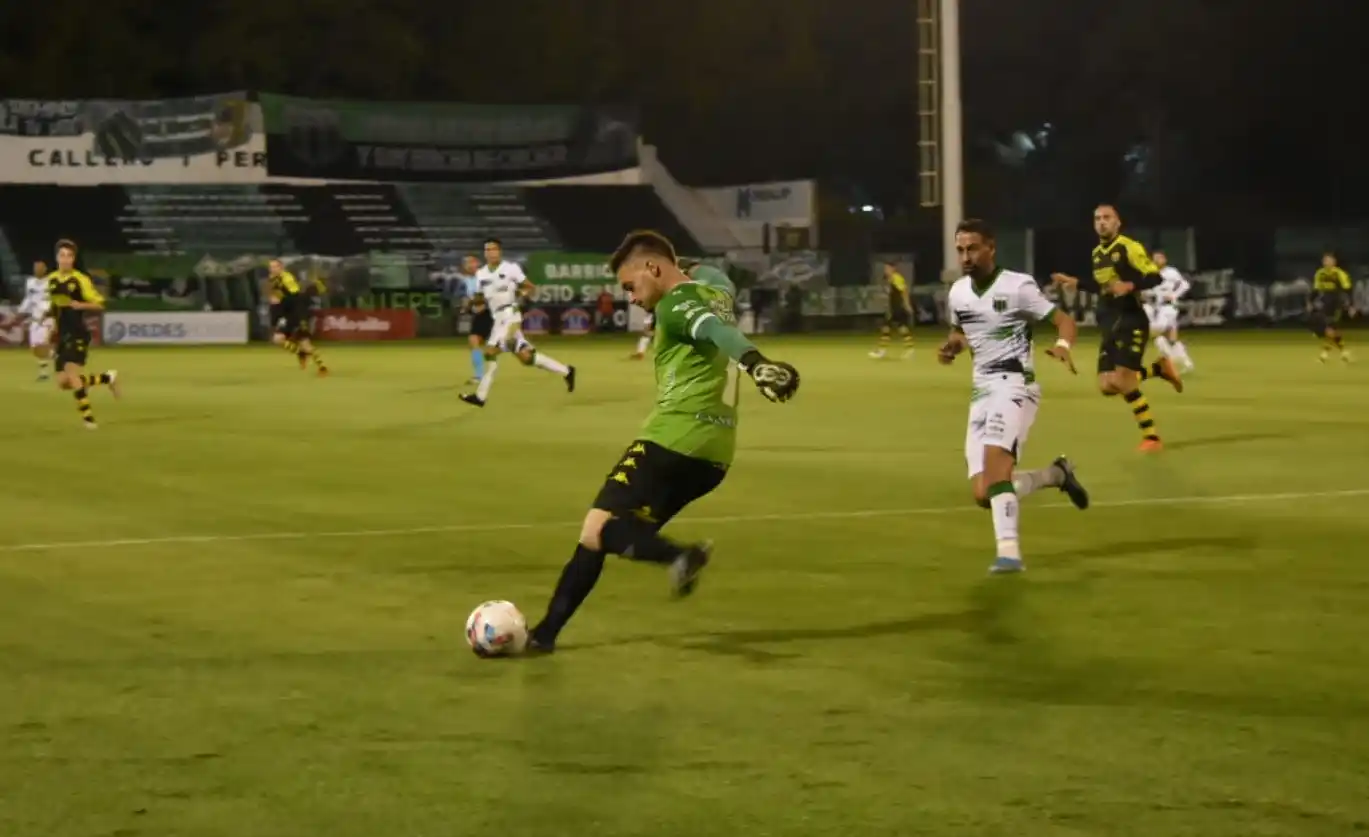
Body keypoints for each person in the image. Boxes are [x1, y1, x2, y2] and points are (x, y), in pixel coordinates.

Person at [521, 230, 800, 654]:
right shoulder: (718, 291)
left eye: (630, 286)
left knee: (598, 529)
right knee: (623, 533)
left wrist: (755, 364)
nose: (631, 298)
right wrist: (674, 263)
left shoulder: (674, 304)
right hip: (714, 456)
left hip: (671, 439)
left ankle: (677, 557)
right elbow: (713, 277)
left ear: (652, 269)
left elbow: (713, 330)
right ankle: (544, 635)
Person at [938, 219, 1089, 574]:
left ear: (990, 248)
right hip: (981, 391)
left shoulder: (1018, 286)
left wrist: (1063, 346)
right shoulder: (958, 292)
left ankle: (1009, 554)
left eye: (972, 248)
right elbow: (961, 332)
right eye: (960, 250)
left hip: (1015, 385)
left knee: (996, 471)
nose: (966, 256)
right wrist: (952, 347)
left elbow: (1064, 321)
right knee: (983, 493)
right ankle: (1055, 475)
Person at [1051, 204, 1182, 453]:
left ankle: (1152, 437)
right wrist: (1077, 283)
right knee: (1106, 385)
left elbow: (1154, 276)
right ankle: (1159, 368)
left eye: (1107, 218)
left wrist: (1131, 285)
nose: (1102, 222)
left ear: (1117, 222)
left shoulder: (1128, 247)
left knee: (1123, 380)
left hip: (1131, 320)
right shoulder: (1097, 253)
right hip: (1109, 322)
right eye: (1097, 218)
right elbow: (1103, 287)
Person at [460, 238, 575, 407]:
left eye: (494, 249)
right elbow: (479, 297)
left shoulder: (511, 268)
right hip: (497, 317)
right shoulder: (481, 274)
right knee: (526, 357)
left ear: (500, 251)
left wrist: (518, 295)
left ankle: (480, 396)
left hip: (510, 313)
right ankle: (567, 371)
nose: (491, 253)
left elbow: (529, 287)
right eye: (487, 250)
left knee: (490, 352)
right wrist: (469, 304)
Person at [47, 240, 120, 428]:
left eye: (69, 256)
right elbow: (54, 306)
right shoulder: (52, 279)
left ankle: (88, 419)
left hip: (77, 332)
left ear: (73, 259)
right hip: (62, 334)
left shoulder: (80, 279)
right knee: (63, 382)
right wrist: (52, 328)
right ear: (56, 258)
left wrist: (81, 305)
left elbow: (99, 304)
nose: (65, 259)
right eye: (62, 255)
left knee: (72, 374)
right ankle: (107, 378)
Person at [267, 258, 327, 376]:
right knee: (277, 339)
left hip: (299, 314)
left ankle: (322, 367)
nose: (273, 269)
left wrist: (280, 300)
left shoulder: (287, 278)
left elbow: (295, 296)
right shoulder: (273, 279)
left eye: (275, 266)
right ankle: (300, 353)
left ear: (281, 267)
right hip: (288, 315)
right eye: (271, 267)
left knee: (305, 343)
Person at [1145, 250, 1195, 372]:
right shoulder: (1150, 273)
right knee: (1170, 340)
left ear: (1165, 259)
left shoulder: (1171, 272)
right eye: (1155, 258)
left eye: (1159, 258)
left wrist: (1174, 295)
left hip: (1169, 307)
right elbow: (1149, 291)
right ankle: (1186, 363)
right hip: (1157, 308)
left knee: (1158, 330)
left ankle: (1170, 358)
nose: (1157, 260)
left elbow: (1185, 285)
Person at [1310, 252, 1354, 363]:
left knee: (1330, 329)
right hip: (1325, 304)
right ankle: (1343, 352)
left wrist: (1350, 305)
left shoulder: (1339, 273)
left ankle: (1324, 355)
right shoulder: (1320, 274)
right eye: (1325, 260)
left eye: (1329, 260)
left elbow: (1348, 289)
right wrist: (1310, 302)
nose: (1326, 262)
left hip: (1337, 303)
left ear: (1334, 262)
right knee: (1332, 330)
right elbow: (1315, 290)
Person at [870, 261, 915, 358]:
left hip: (897, 308)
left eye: (887, 268)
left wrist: (907, 304)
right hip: (894, 307)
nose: (886, 270)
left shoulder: (896, 278)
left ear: (893, 269)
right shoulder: (890, 279)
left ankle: (882, 351)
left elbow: (904, 291)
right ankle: (909, 349)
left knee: (888, 328)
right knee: (900, 328)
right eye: (885, 269)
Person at [17, 260, 53, 380]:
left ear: (45, 269)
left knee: (42, 343)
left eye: (40, 267)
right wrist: (21, 310)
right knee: (35, 346)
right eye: (36, 267)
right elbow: (28, 298)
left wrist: (49, 311)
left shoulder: (50, 282)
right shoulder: (30, 282)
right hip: (35, 317)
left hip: (47, 317)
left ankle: (45, 372)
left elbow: (53, 299)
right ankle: (55, 358)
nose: (37, 269)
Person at [457, 254, 490, 384]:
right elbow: (469, 298)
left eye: (472, 262)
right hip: (481, 314)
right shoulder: (466, 281)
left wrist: (482, 303)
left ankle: (532, 356)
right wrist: (466, 307)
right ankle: (479, 375)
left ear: (477, 264)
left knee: (506, 343)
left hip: (493, 312)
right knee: (473, 340)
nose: (469, 265)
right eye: (467, 263)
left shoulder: (484, 277)